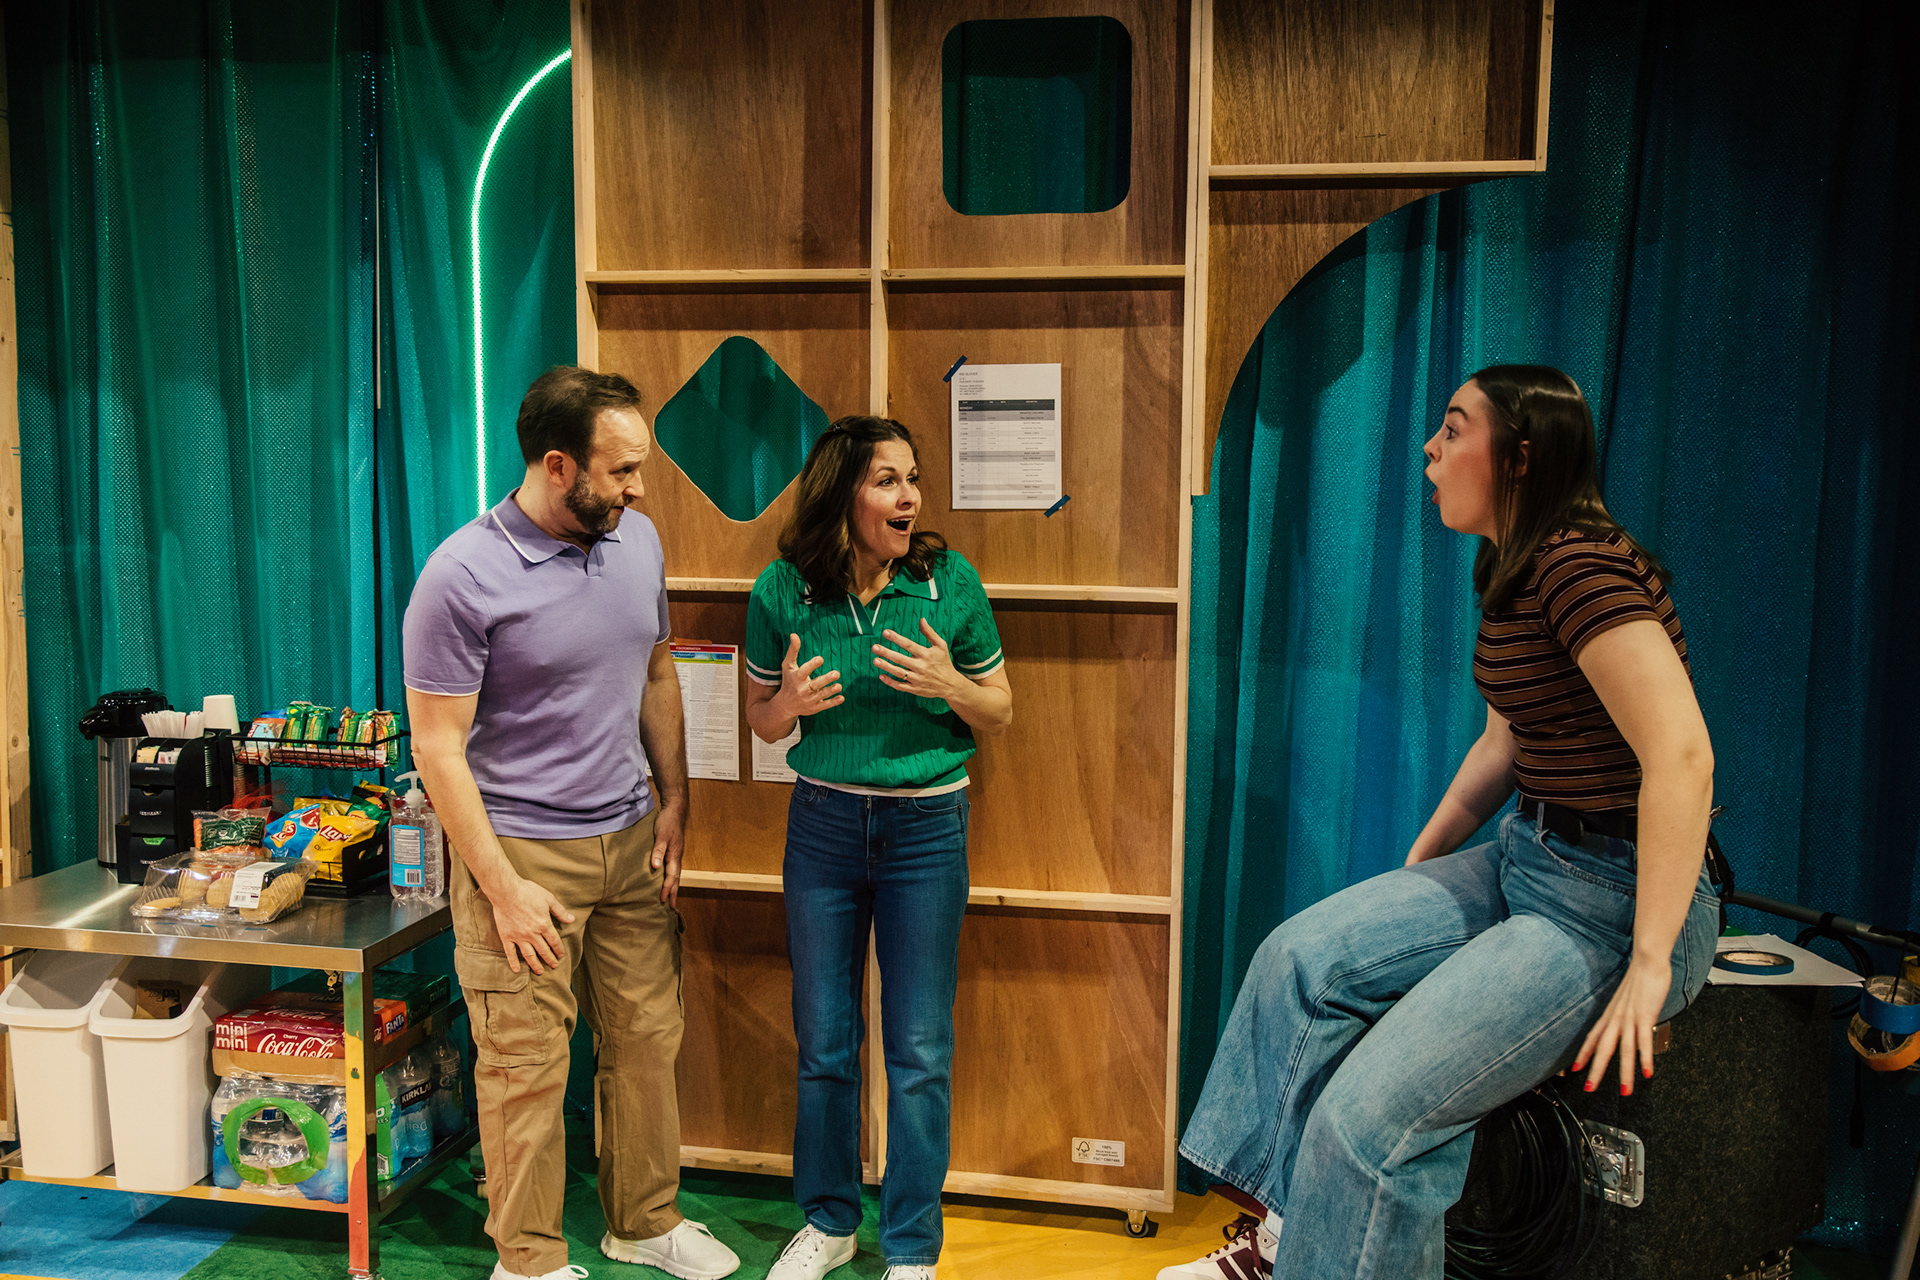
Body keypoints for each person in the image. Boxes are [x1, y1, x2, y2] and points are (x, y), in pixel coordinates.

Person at [1162, 366, 1721, 1280]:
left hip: (1619, 904)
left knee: (1368, 1123)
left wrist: (1651, 963)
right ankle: (1293, 1242)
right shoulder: (1513, 564)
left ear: (1520, 458)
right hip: (1527, 858)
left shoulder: (1580, 566)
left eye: (1455, 429)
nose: (1429, 447)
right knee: (1300, 963)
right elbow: (1505, 745)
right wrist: (1418, 870)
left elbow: (1683, 757)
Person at [404, 366, 740, 1280]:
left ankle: (645, 1221)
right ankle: (528, 1261)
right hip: (521, 853)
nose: (640, 488)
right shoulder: (461, 575)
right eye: (621, 470)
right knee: (525, 1066)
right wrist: (501, 888)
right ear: (559, 466)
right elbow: (438, 748)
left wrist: (675, 801)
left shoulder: (637, 541)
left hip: (631, 841)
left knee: (646, 1038)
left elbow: (657, 671)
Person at [743, 416, 1014, 1280]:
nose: (910, 498)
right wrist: (786, 705)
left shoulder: (947, 582)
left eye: (913, 479)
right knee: (825, 1041)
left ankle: (911, 1245)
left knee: (920, 1049)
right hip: (822, 826)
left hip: (926, 832)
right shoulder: (782, 590)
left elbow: (1000, 708)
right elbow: (760, 722)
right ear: (841, 494)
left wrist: (951, 683)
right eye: (888, 480)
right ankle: (828, 1223)